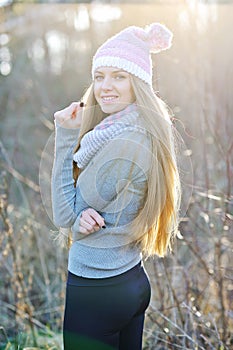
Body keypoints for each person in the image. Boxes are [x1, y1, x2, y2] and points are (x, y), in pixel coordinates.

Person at [52, 22, 181, 350]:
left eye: (119, 76)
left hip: (98, 290)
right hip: (129, 278)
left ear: (138, 83)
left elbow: (64, 213)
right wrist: (82, 215)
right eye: (99, 76)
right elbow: (85, 213)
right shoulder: (126, 127)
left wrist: (65, 137)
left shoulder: (123, 143)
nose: (105, 87)